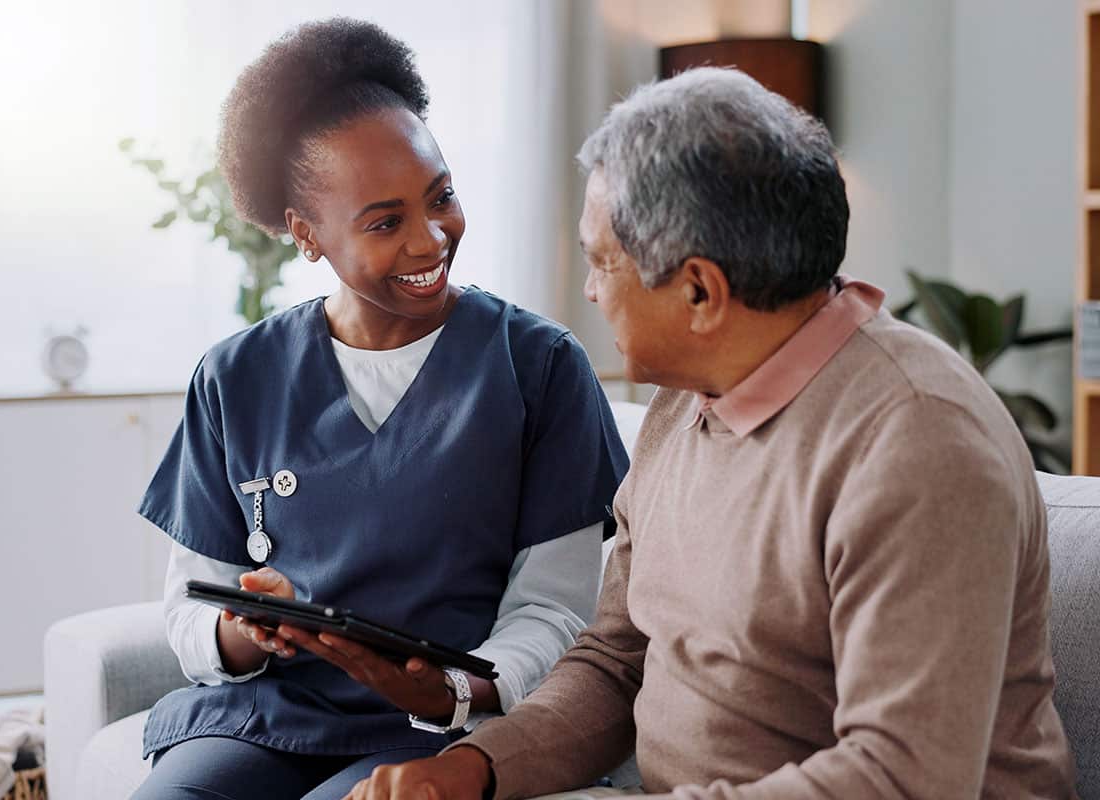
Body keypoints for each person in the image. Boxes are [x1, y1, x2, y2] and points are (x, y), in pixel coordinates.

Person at [346, 67, 1079, 799]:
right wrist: (471, 771)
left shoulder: (919, 443)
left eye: (603, 262)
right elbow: (616, 661)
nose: (593, 291)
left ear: (699, 291)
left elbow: (901, 777)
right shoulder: (685, 399)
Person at [129, 18, 628, 800]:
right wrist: (245, 632)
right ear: (306, 235)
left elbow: (559, 614)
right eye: (386, 222)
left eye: (443, 197)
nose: (431, 240)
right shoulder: (236, 376)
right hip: (267, 715)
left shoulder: (540, 368)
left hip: (443, 727)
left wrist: (461, 691)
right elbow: (191, 604)